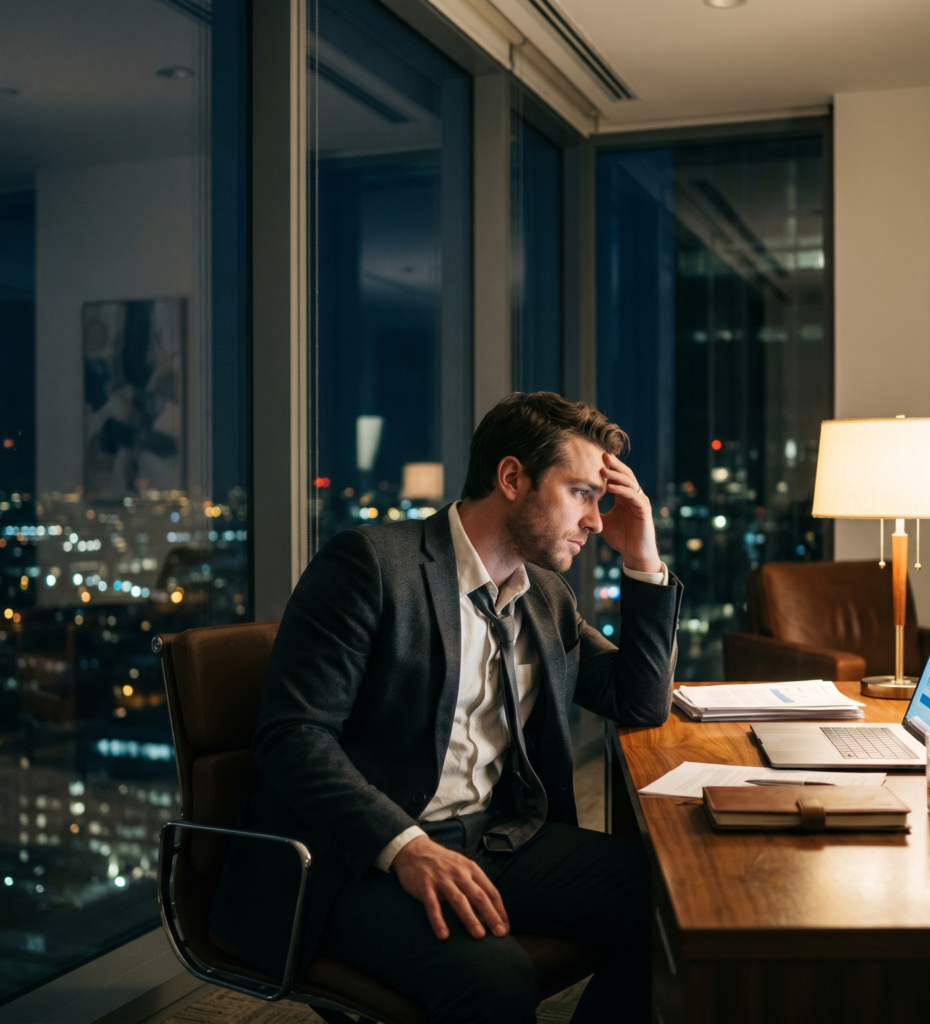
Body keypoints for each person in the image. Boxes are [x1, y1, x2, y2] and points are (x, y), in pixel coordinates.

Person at [210, 392, 682, 1023]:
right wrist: (404, 845)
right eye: (581, 494)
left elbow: (638, 701)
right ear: (512, 478)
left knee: (677, 899)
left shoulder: (545, 595)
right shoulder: (372, 565)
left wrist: (643, 561)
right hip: (359, 857)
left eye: (601, 499)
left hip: (497, 838)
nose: (596, 520)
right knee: (495, 980)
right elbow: (294, 736)